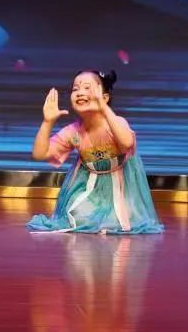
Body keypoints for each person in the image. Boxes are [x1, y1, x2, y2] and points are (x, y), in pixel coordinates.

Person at [27, 70, 164, 234]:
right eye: (76, 89)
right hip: (88, 185)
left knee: (119, 221)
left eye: (87, 88)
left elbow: (127, 143)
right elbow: (40, 154)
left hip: (120, 185)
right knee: (78, 217)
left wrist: (104, 108)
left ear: (105, 97)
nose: (80, 92)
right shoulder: (73, 132)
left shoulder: (115, 123)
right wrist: (47, 122)